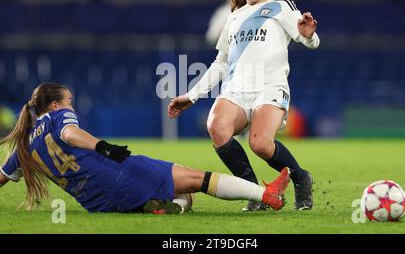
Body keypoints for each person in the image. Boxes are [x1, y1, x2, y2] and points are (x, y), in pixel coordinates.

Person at [168, 0, 319, 211]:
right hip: (237, 88)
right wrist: (192, 96)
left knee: (259, 144)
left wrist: (308, 36)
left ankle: (301, 178)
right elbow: (221, 62)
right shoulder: (234, 17)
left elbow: (308, 39)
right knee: (216, 126)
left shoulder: (281, 8)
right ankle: (255, 193)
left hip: (269, 86)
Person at [0, 82, 290, 214]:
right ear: (54, 104)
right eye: (69, 101)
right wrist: (103, 147)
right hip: (115, 173)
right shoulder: (56, 117)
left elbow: (1, 177)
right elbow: (71, 133)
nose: (70, 106)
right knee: (197, 179)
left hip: (96, 203)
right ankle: (267, 194)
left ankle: (166, 207)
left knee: (183, 196)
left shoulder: (25, 145)